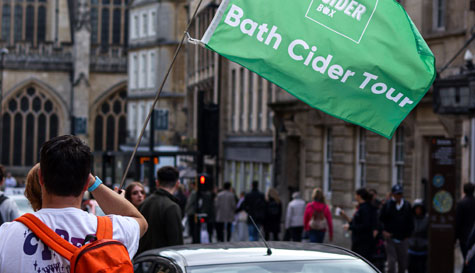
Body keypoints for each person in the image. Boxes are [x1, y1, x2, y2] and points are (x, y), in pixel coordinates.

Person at [0, 135, 148, 272]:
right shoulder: (113, 232)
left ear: (41, 178)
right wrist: (93, 182)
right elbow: (140, 221)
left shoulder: (6, 236)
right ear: (86, 183)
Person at [137, 166, 183, 255]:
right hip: (163, 262)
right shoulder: (172, 207)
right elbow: (176, 243)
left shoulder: (144, 204)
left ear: (157, 183)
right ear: (177, 184)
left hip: (143, 260)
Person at [379, 184, 414, 273]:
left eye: (400, 194)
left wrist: (408, 235)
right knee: (391, 263)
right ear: (393, 195)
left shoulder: (407, 205)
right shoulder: (387, 205)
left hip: (403, 239)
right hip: (390, 238)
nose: (398, 196)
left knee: (403, 264)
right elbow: (380, 219)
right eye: (396, 194)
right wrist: (384, 231)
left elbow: (411, 221)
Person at [341, 188, 377, 261]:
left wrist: (350, 227)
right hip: (359, 242)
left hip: (363, 243)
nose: (355, 197)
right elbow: (357, 222)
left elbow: (365, 225)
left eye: (356, 195)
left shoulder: (365, 208)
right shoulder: (362, 207)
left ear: (359, 196)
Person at [456, 183, 475, 266]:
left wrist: (455, 237)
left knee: (466, 259)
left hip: (463, 236)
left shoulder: (461, 203)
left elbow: (458, 221)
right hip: (473, 235)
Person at [408, 199, 428, 273]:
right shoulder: (411, 218)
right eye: (416, 208)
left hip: (423, 249)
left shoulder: (426, 219)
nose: (418, 210)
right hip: (412, 249)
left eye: (419, 208)